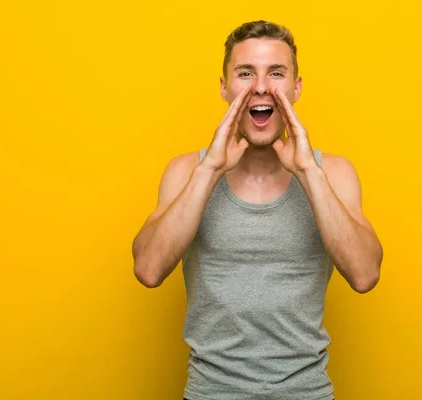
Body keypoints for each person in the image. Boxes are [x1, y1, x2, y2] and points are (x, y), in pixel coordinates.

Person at [132, 20, 383, 400]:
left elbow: (365, 275)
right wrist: (211, 169)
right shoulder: (187, 171)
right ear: (224, 87)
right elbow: (148, 269)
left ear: (296, 88)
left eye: (276, 73)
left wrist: (307, 172)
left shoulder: (332, 173)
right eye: (245, 73)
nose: (262, 87)